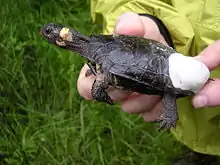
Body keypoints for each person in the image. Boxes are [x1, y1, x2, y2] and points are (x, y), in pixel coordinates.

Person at [77, 0, 220, 164]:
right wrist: (157, 25)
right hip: (172, 67)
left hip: (169, 74)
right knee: (197, 130)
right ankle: (201, 153)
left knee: (170, 98)